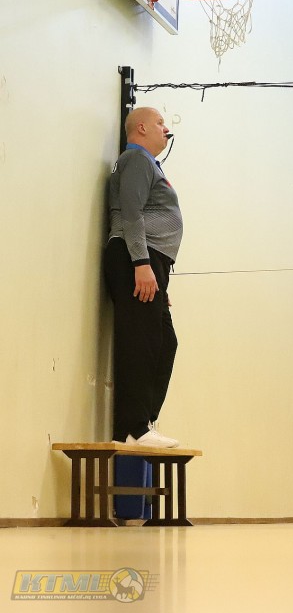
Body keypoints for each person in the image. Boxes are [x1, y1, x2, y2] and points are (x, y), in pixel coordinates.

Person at [104, 107, 182, 448]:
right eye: (160, 123)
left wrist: (156, 276)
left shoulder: (148, 164)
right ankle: (132, 429)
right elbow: (132, 213)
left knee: (164, 342)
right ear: (141, 128)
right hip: (136, 257)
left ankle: (144, 422)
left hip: (150, 263)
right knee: (141, 342)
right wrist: (141, 263)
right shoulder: (136, 160)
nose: (166, 128)